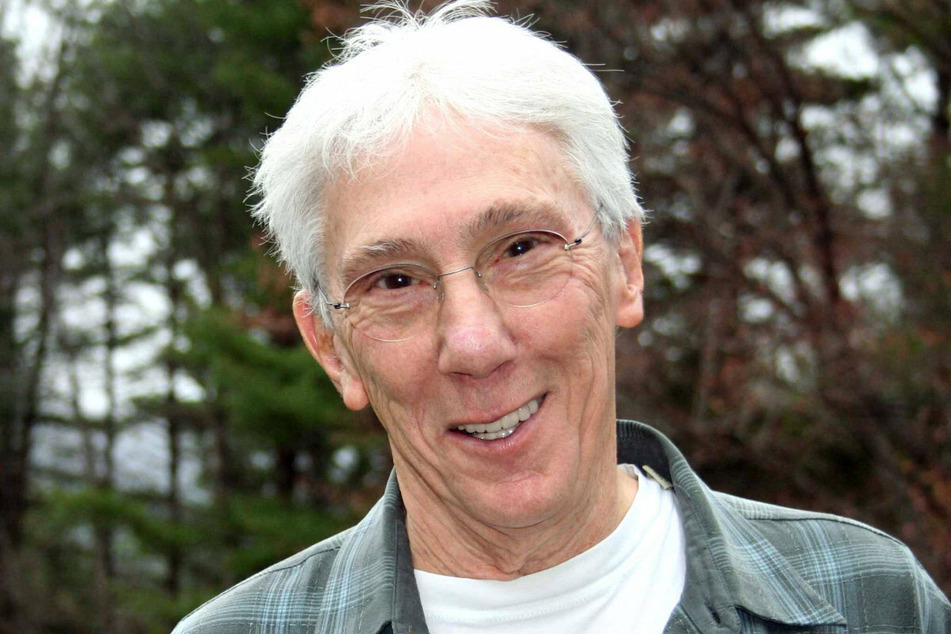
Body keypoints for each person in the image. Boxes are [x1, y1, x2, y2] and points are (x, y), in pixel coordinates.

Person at [173, 1, 951, 632]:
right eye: (395, 280)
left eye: (521, 248)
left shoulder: (869, 603)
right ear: (331, 346)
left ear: (624, 264)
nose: (474, 344)